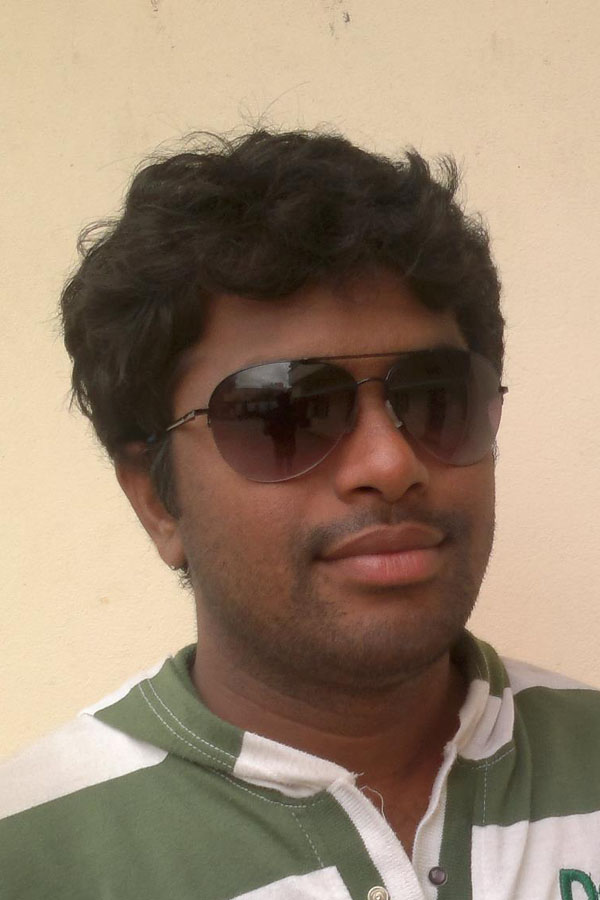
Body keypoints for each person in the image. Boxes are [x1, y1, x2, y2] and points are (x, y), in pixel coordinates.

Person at [1, 130, 599, 900]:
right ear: (155, 498)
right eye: (285, 412)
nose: (390, 463)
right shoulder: (32, 859)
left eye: (437, 399)